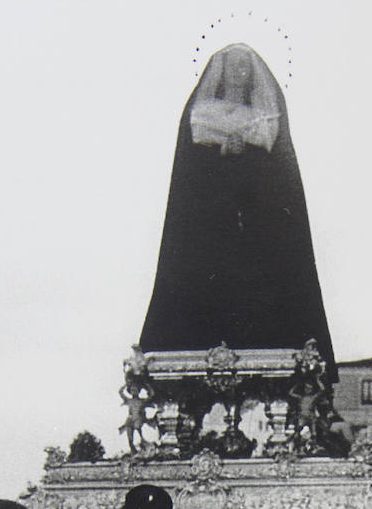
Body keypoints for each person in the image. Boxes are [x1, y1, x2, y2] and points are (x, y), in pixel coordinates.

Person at [139, 44, 335, 378]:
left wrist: (249, 158)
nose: (239, 73)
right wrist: (219, 157)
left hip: (256, 224)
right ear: (222, 72)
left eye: (245, 67)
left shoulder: (265, 116)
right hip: (209, 224)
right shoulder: (202, 113)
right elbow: (190, 179)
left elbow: (278, 182)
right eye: (233, 66)